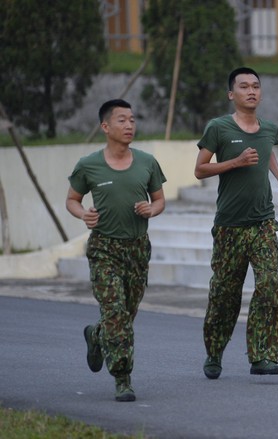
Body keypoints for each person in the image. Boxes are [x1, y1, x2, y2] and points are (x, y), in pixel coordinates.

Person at [194, 67, 278, 379]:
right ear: (231, 94)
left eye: (255, 86)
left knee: (268, 286)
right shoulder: (219, 128)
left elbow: (268, 153)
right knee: (224, 294)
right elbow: (200, 169)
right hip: (229, 226)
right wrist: (235, 163)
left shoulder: (268, 129)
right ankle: (214, 351)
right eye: (244, 86)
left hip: (263, 223)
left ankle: (262, 356)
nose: (251, 91)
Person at [66, 99, 166, 402]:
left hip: (137, 249)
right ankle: (122, 378)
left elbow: (160, 200)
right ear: (105, 127)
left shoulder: (147, 162)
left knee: (126, 313)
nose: (129, 126)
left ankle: (97, 335)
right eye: (122, 120)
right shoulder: (88, 164)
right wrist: (83, 213)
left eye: (133, 120)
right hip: (104, 249)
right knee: (116, 314)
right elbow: (72, 199)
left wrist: (152, 209)